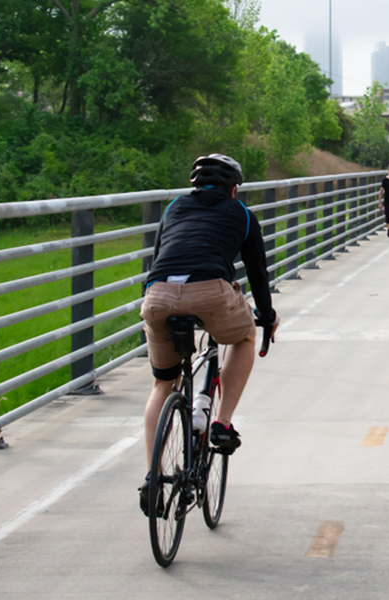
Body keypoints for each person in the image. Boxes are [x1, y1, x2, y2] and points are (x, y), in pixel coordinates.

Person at [138, 153, 279, 515]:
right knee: (243, 337)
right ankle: (221, 422)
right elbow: (258, 273)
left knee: (162, 384)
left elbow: (157, 258)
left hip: (158, 295)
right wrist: (267, 317)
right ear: (234, 189)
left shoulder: (173, 208)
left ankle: (153, 476)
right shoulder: (243, 214)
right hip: (210, 292)